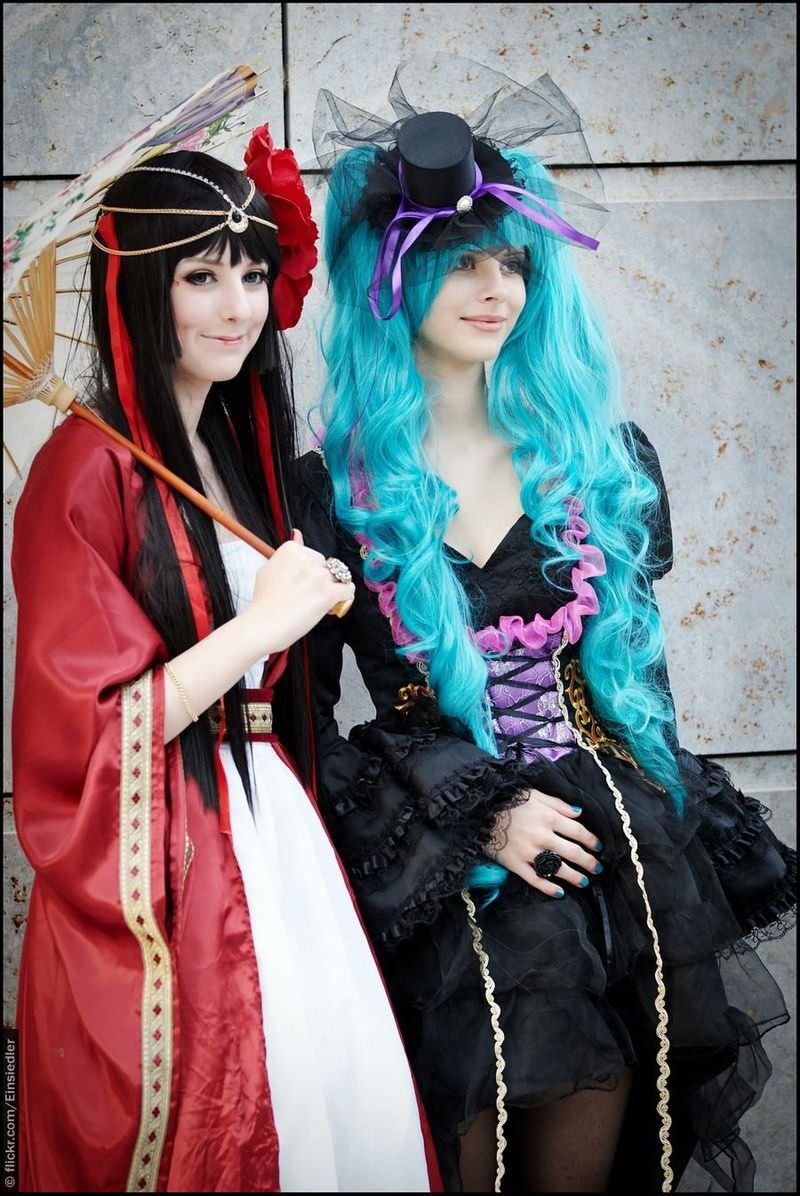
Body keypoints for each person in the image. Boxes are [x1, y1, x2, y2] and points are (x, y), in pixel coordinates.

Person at [295, 70, 796, 1194]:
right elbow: (306, 733)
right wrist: (479, 812)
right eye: (461, 262)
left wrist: (644, 828)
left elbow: (640, 691)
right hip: (444, 870)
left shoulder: (601, 463)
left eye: (514, 263)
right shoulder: (331, 493)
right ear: (392, 275)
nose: (496, 290)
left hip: (614, 866)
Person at [11, 130, 438, 1193]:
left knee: (333, 1114)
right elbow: (87, 729)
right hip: (172, 854)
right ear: (140, 289)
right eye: (200, 277)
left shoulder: (233, 452)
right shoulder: (83, 468)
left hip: (271, 822)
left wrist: (303, 603)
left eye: (251, 273)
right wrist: (260, 627)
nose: (236, 306)